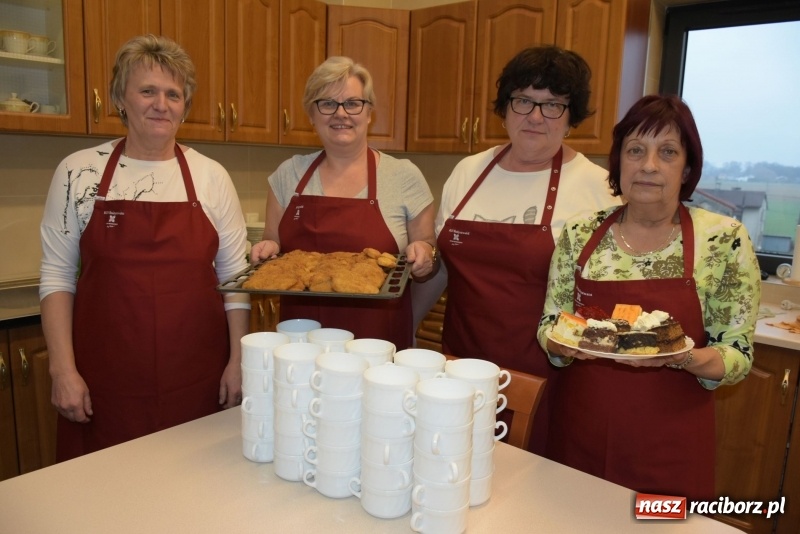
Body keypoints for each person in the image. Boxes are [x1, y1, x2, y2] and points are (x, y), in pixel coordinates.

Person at [538, 94, 761, 501]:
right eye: (636, 150)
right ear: (618, 161)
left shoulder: (723, 240)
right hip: (579, 436)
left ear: (687, 167)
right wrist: (560, 343)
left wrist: (681, 356)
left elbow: (738, 354)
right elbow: (551, 323)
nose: (649, 165)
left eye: (668, 152)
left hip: (670, 449)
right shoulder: (580, 232)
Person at [39, 35, 250, 461]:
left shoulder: (210, 176)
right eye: (148, 90)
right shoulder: (78, 172)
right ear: (120, 98)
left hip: (197, 377)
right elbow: (57, 277)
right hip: (105, 381)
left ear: (185, 106)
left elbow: (235, 279)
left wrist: (238, 361)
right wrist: (62, 369)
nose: (162, 104)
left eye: (174, 94)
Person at [414, 45, 621, 455]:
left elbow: (607, 301)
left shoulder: (598, 188)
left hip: (549, 375)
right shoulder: (467, 171)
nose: (536, 116)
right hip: (460, 366)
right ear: (505, 107)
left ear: (571, 116)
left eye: (553, 105)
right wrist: (405, 327)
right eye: (524, 100)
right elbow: (442, 270)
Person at [250, 56, 436, 349]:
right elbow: (273, 240)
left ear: (369, 112)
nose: (341, 114)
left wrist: (424, 253)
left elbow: (427, 245)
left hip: (376, 343)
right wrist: (268, 248)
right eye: (327, 104)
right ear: (311, 115)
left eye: (352, 103)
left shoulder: (403, 176)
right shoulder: (288, 175)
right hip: (301, 342)